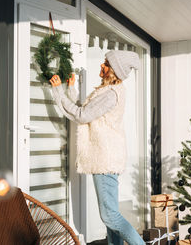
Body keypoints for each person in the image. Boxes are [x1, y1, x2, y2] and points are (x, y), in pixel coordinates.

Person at [49, 50, 144, 245]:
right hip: (107, 156)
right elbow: (86, 110)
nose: (102, 66)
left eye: (106, 64)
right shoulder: (108, 91)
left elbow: (82, 115)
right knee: (112, 215)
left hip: (105, 157)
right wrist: (71, 87)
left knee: (109, 216)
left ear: (115, 71)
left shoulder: (110, 94)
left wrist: (58, 91)